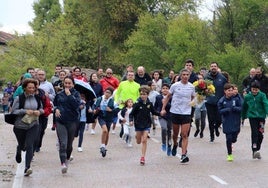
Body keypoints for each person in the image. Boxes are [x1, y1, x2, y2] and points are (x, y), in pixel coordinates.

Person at [161, 69, 195, 163]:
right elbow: (168, 97)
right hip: (175, 112)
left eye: (187, 75)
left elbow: (193, 98)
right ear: (180, 76)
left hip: (186, 113)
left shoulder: (191, 87)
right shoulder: (175, 86)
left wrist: (193, 104)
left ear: (189, 76)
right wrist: (163, 108)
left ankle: (183, 155)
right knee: (175, 134)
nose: (185, 76)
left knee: (184, 134)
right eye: (183, 74)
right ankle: (175, 144)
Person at [11, 78, 44, 176]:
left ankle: (27, 167)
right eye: (29, 88)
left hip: (33, 124)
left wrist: (39, 112)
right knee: (23, 146)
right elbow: (13, 111)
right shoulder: (19, 98)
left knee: (30, 145)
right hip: (20, 126)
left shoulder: (37, 98)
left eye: (33, 88)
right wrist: (25, 111)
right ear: (25, 88)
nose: (31, 89)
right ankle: (19, 148)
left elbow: (41, 108)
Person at [54, 76, 81, 174]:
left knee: (69, 145)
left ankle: (67, 158)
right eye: (66, 83)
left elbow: (77, 106)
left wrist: (69, 95)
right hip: (60, 121)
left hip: (72, 121)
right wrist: (55, 109)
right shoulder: (59, 94)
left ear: (73, 84)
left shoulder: (76, 94)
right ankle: (63, 163)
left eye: (69, 83)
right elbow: (55, 104)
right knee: (63, 143)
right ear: (63, 83)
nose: (67, 85)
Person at [129, 86, 161, 165]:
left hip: (146, 123)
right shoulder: (137, 104)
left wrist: (160, 113)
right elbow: (131, 114)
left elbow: (153, 112)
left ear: (147, 95)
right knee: (138, 141)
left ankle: (143, 157)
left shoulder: (149, 104)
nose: (143, 96)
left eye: (144, 94)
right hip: (138, 124)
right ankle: (137, 137)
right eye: (141, 94)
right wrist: (131, 121)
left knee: (144, 140)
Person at [241, 81, 268, 159]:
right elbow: (244, 107)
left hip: (261, 117)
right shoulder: (247, 97)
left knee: (261, 134)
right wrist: (243, 117)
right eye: (253, 89)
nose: (254, 91)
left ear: (259, 89)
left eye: (256, 90)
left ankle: (257, 149)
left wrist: (267, 112)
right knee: (254, 133)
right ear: (251, 89)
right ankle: (254, 149)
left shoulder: (262, 95)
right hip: (252, 117)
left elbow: (266, 104)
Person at [217, 83, 242, 161]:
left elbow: (241, 108)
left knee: (233, 138)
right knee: (228, 138)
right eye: (229, 91)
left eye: (231, 90)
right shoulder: (221, 101)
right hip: (227, 122)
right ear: (225, 91)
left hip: (236, 122)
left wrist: (235, 108)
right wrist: (226, 110)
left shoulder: (236, 99)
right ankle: (229, 154)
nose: (230, 92)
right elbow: (219, 111)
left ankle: (234, 140)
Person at [205, 62, 227, 142]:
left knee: (219, 119)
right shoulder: (206, 77)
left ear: (217, 68)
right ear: (210, 68)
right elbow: (201, 88)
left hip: (219, 102)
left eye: (215, 66)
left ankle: (216, 127)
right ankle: (212, 135)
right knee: (211, 119)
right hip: (209, 101)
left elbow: (226, 88)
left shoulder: (222, 78)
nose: (213, 67)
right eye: (212, 66)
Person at [93, 87, 115, 157]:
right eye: (106, 92)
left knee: (107, 133)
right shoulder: (100, 99)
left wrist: (111, 110)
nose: (107, 94)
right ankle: (102, 146)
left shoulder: (112, 101)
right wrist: (95, 110)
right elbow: (94, 106)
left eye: (109, 93)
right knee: (104, 130)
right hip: (101, 117)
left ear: (111, 94)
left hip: (109, 118)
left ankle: (104, 147)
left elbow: (116, 109)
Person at [154, 83, 172, 155]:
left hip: (170, 115)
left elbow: (172, 106)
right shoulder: (158, 97)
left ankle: (169, 146)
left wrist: (166, 102)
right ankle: (164, 143)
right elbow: (156, 106)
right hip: (161, 115)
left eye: (167, 88)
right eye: (163, 88)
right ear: (161, 90)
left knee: (169, 131)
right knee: (164, 128)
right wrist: (156, 113)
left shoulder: (171, 97)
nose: (165, 90)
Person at [193, 74, 207, 138]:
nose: (200, 80)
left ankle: (202, 131)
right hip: (197, 103)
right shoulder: (195, 86)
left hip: (204, 103)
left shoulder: (207, 86)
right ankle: (197, 129)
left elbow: (210, 93)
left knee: (203, 119)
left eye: (201, 78)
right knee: (197, 118)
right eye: (199, 78)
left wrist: (207, 92)